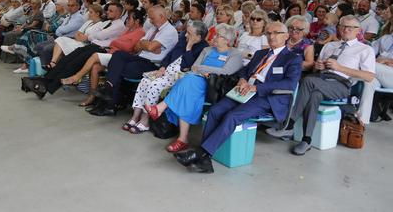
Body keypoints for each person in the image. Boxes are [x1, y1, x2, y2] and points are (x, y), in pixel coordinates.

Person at [174, 21, 302, 173]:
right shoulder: (261, 54)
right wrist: (242, 79)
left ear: (286, 36)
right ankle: (205, 160)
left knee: (232, 116)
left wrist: (256, 87)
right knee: (215, 111)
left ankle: (202, 153)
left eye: (276, 33)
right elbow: (244, 71)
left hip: (267, 97)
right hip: (244, 91)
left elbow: (289, 84)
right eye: (268, 33)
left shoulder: (292, 58)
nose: (271, 36)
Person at [266, 15, 375, 154]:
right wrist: (318, 66)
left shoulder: (365, 49)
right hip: (321, 79)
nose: (346, 29)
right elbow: (315, 69)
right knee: (314, 95)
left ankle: (289, 125)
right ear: (339, 28)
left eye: (350, 27)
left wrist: (340, 68)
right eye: (342, 26)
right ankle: (307, 140)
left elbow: (369, 77)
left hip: (341, 84)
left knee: (309, 81)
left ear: (358, 30)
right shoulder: (330, 45)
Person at [145, 24, 243, 150]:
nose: (214, 37)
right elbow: (193, 67)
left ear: (227, 40)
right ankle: (182, 139)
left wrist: (203, 70)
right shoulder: (207, 50)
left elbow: (225, 71)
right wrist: (204, 70)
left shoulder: (235, 54)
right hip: (195, 80)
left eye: (218, 35)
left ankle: (160, 108)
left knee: (188, 80)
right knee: (188, 91)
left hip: (213, 85)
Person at [89, 6, 178, 116]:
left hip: (152, 64)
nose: (150, 20)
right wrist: (148, 45)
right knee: (118, 55)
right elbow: (136, 47)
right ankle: (109, 94)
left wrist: (146, 45)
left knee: (118, 68)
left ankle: (109, 101)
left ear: (162, 16)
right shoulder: (153, 29)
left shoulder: (169, 31)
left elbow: (149, 47)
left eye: (152, 18)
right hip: (139, 58)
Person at [122, 20, 209, 133]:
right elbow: (169, 55)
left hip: (179, 78)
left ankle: (145, 120)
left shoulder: (203, 48)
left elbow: (189, 65)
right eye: (186, 32)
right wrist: (162, 67)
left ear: (198, 36)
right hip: (166, 72)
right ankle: (135, 117)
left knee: (154, 86)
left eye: (190, 34)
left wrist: (189, 47)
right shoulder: (182, 39)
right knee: (144, 81)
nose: (186, 35)